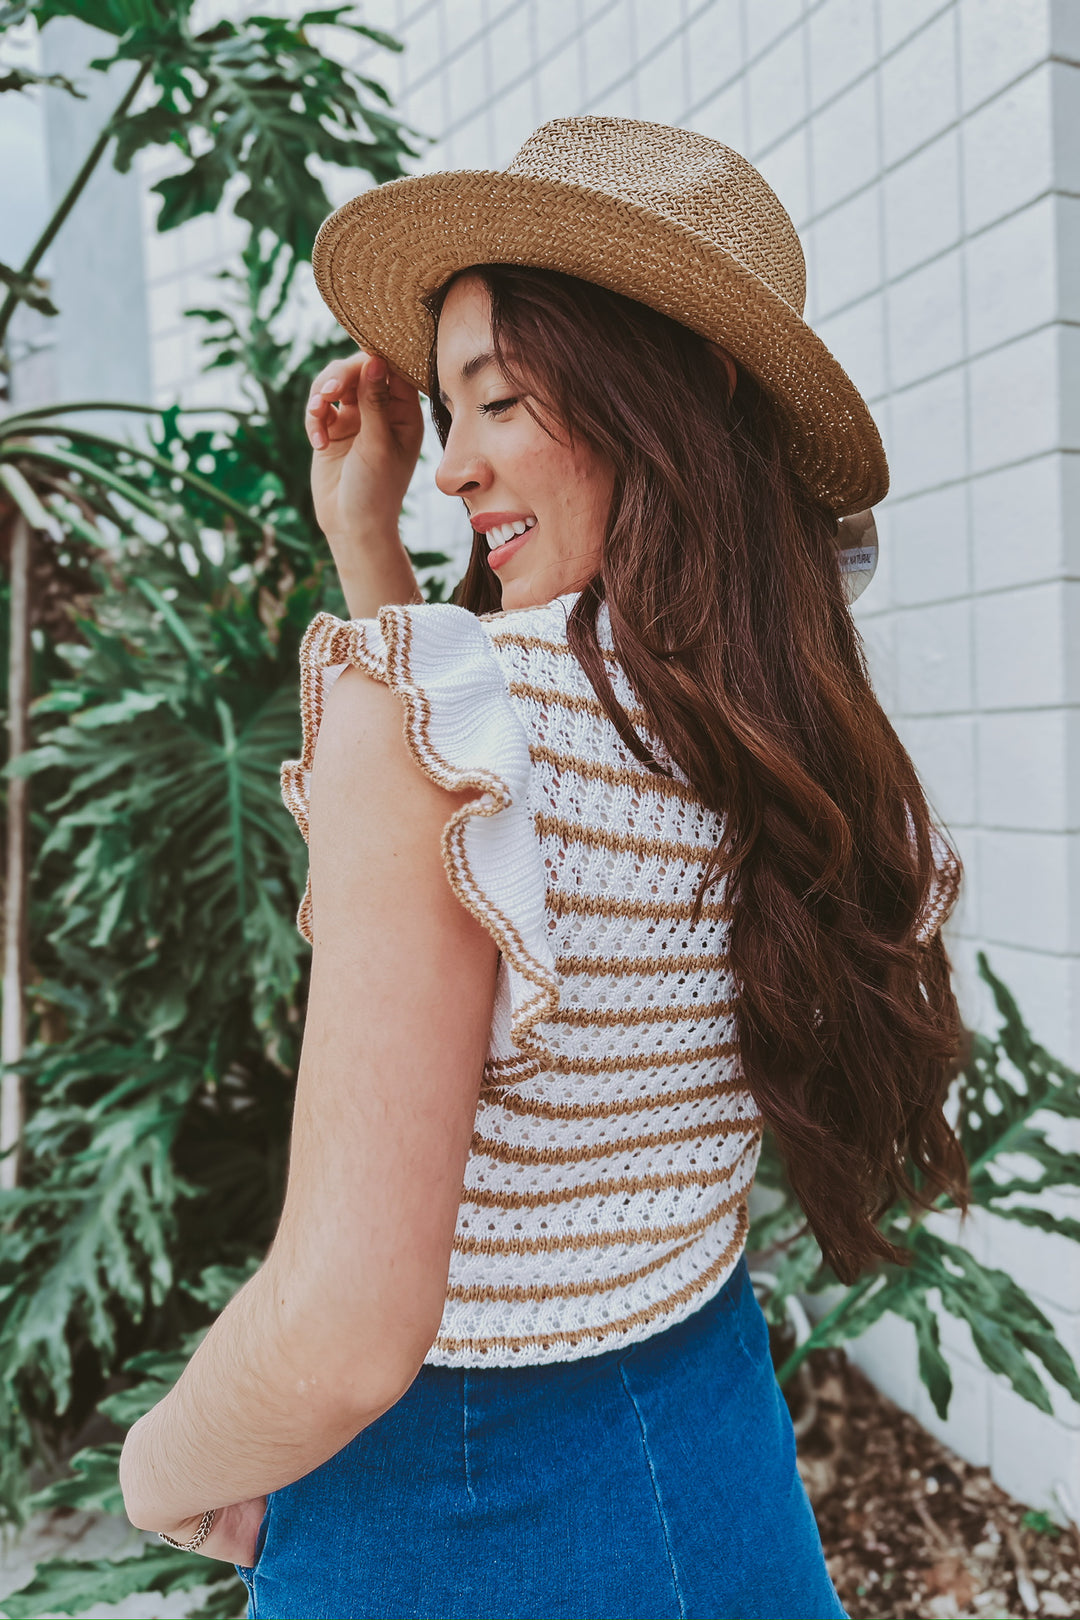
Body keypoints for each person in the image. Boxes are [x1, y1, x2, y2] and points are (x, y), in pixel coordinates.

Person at [118, 116, 968, 1620]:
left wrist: (157, 1466)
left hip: (446, 1507)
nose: (452, 467)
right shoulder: (769, 722)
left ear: (670, 391)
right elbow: (479, 827)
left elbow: (340, 1339)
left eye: (498, 399)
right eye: (450, 413)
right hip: (709, 1447)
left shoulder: (451, 711)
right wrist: (363, 539)